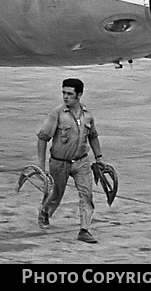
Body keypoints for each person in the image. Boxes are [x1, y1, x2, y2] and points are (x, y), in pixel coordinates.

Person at [35, 77, 106, 243]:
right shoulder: (57, 114)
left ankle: (84, 229)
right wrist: (40, 163)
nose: (65, 97)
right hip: (59, 163)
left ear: (79, 95)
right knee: (56, 194)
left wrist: (99, 157)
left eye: (69, 94)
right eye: (63, 93)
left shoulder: (87, 115)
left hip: (81, 162)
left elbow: (93, 136)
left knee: (86, 195)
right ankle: (46, 211)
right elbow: (42, 138)